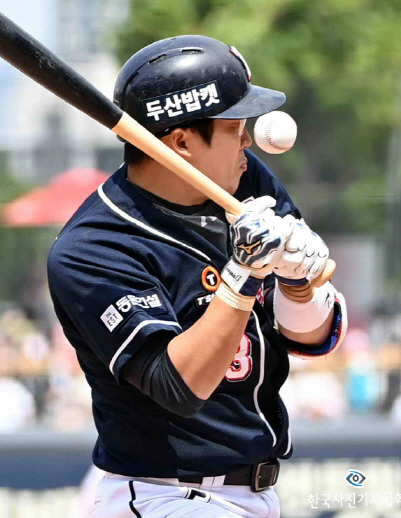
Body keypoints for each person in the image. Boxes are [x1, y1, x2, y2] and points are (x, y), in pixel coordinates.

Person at [47, 35, 347, 518]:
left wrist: (297, 283)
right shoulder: (94, 248)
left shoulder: (246, 180)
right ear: (182, 141)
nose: (248, 139)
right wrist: (244, 275)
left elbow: (313, 339)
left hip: (260, 490)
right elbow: (179, 386)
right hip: (167, 495)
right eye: (234, 127)